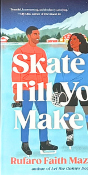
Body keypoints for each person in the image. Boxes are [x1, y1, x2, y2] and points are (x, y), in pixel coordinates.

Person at [52, 33, 88, 149]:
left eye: (74, 39)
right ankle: (69, 134)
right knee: (69, 113)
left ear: (80, 41)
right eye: (70, 40)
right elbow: (60, 70)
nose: (71, 41)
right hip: (69, 88)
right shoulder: (66, 54)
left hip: (84, 89)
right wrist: (57, 84)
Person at [11, 26, 58, 156]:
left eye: (38, 34)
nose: (38, 36)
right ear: (28, 35)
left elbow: (44, 72)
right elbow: (16, 74)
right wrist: (16, 92)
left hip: (40, 90)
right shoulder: (19, 52)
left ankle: (44, 142)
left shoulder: (41, 52)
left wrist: (46, 88)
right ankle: (25, 143)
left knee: (44, 116)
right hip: (26, 89)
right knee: (25, 117)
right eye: (35, 34)